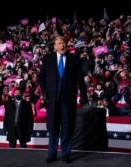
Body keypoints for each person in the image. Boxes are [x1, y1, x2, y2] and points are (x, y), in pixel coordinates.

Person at [39, 35, 88, 163]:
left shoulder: (74, 59)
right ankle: (52, 154)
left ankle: (66, 154)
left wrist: (83, 95)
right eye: (60, 43)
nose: (63, 45)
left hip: (68, 101)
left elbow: (80, 80)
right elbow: (41, 78)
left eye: (64, 43)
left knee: (67, 127)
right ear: (55, 46)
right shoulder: (47, 59)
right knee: (53, 128)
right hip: (53, 101)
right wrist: (44, 93)